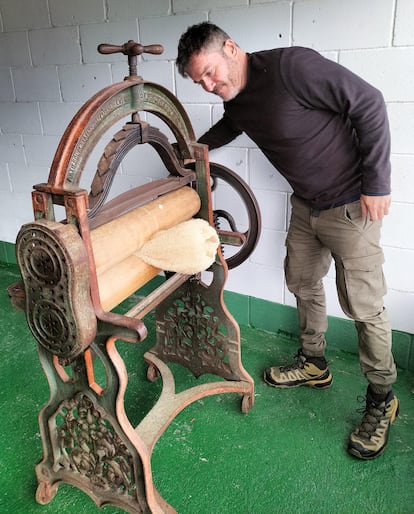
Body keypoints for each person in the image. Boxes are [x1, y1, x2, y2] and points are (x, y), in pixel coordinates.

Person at [176, 21, 399, 460]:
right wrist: (188, 151)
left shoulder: (291, 67)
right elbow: (230, 126)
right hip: (306, 206)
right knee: (301, 281)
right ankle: (314, 363)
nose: (208, 84)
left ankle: (382, 398)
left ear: (231, 48)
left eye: (209, 72)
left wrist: (377, 182)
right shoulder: (238, 101)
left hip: (353, 203)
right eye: (198, 80)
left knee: (363, 305)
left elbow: (369, 103)